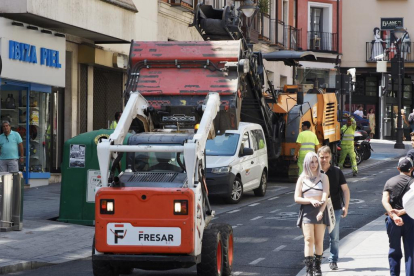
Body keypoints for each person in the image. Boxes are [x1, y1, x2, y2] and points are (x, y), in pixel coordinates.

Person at [295, 152, 329, 276]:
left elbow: (325, 195)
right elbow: (296, 198)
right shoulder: (302, 178)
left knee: (319, 241)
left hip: (320, 210)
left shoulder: (323, 177)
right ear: (306, 163)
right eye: (311, 161)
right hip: (307, 212)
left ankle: (317, 267)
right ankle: (309, 270)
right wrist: (310, 200)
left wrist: (321, 211)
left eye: (316, 161)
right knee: (308, 239)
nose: (314, 164)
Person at [318, 146, 350, 271]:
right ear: (318, 157)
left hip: (334, 208)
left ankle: (333, 260)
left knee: (334, 237)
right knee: (317, 237)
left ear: (330, 157)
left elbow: (345, 190)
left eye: (326, 157)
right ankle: (317, 260)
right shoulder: (315, 172)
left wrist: (345, 206)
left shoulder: (336, 171)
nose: (324, 160)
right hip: (318, 209)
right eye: (322, 157)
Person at [382, 157, 414, 276]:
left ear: (398, 168)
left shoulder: (390, 182)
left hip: (393, 220)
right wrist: (403, 212)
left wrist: (393, 215)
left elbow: (385, 201)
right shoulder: (413, 182)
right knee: (410, 252)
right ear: (412, 169)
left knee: (394, 250)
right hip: (410, 218)